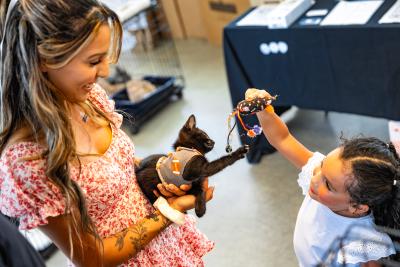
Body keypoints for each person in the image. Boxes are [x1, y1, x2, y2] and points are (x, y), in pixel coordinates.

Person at [0, 0, 215, 266]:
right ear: (43, 59)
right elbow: (92, 258)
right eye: (93, 61)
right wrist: (170, 210)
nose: (105, 72)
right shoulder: (27, 160)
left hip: (163, 246)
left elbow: (118, 168)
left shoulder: (89, 98)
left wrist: (161, 174)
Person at [245, 88, 398, 267]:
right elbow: (283, 139)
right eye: (322, 167)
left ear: (357, 207)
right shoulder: (321, 174)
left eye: (329, 185)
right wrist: (264, 111)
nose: (315, 178)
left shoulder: (366, 243)